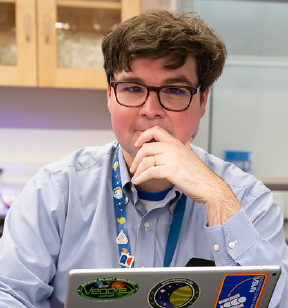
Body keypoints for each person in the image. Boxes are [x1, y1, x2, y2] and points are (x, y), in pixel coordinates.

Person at [0, 10, 287, 308]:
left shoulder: (248, 200)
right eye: (133, 88)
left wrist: (218, 200)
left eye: (174, 90)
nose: (151, 110)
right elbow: (8, 292)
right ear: (110, 95)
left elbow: (276, 302)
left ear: (202, 101)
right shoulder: (56, 191)